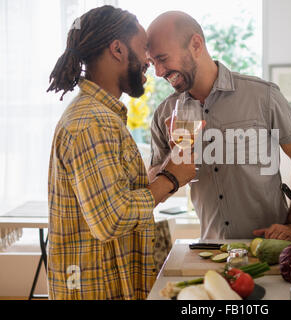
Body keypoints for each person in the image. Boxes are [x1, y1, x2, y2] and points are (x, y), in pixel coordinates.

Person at [46, 6, 195, 300]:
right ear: (117, 49)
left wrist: (167, 163)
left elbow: (118, 195)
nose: (149, 65)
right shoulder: (91, 122)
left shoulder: (101, 116)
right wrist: (171, 178)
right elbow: (112, 219)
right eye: (143, 52)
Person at [146, 11, 291, 242]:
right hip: (211, 251)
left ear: (196, 44)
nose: (158, 72)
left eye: (163, 59)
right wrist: (174, 160)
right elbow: (156, 188)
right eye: (152, 62)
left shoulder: (263, 96)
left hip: (271, 249)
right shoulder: (164, 114)